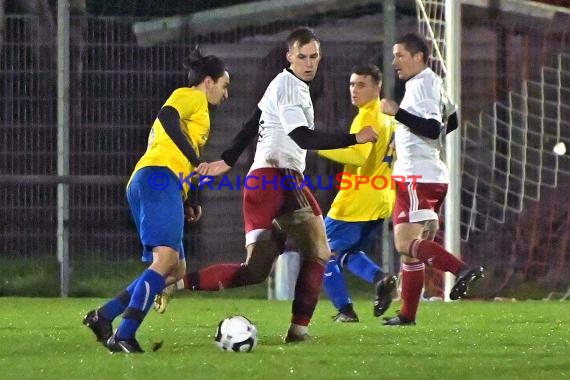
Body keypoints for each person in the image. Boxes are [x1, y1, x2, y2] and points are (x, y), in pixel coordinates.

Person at [157, 27, 378, 342]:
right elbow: (301, 136)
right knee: (318, 252)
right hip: (281, 179)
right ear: (289, 56)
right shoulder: (290, 86)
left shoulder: (284, 84)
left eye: (313, 56)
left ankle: (175, 283)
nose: (308, 62)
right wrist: (355, 137)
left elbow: (253, 122)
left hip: (262, 181)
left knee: (255, 271)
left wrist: (228, 160)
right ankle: (299, 330)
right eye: (301, 56)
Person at [82, 47, 231, 353]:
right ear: (208, 81)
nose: (226, 94)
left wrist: (190, 197)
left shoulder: (199, 112)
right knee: (164, 261)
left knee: (174, 269)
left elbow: (181, 152)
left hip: (162, 183)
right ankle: (124, 334)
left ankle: (105, 315)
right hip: (156, 178)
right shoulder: (191, 96)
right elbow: (167, 117)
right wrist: (193, 160)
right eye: (224, 85)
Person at [378, 33, 484, 326]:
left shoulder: (422, 84)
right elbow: (453, 119)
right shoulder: (431, 83)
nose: (395, 61)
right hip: (425, 174)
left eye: (400, 55)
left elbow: (432, 127)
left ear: (419, 57)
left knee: (404, 243)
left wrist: (397, 112)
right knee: (412, 252)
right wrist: (426, 147)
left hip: (416, 176)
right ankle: (407, 315)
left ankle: (460, 269)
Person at [317, 63, 398, 323]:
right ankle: (381, 279)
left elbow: (358, 155)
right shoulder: (389, 116)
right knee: (346, 254)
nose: (354, 90)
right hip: (383, 198)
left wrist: (317, 146)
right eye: (352, 84)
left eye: (362, 85)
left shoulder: (366, 116)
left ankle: (345, 310)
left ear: (377, 87)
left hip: (357, 200)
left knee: (320, 252)